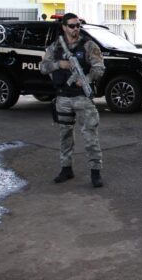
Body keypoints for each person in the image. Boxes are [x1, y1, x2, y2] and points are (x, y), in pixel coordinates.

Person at [40, 13, 106, 187]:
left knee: (90, 135)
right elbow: (43, 67)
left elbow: (99, 68)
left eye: (78, 25)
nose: (76, 28)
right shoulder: (55, 47)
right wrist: (59, 65)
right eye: (72, 25)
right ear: (64, 27)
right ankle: (66, 168)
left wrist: (87, 78)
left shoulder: (89, 45)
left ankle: (95, 172)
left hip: (82, 97)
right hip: (63, 97)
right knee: (65, 135)